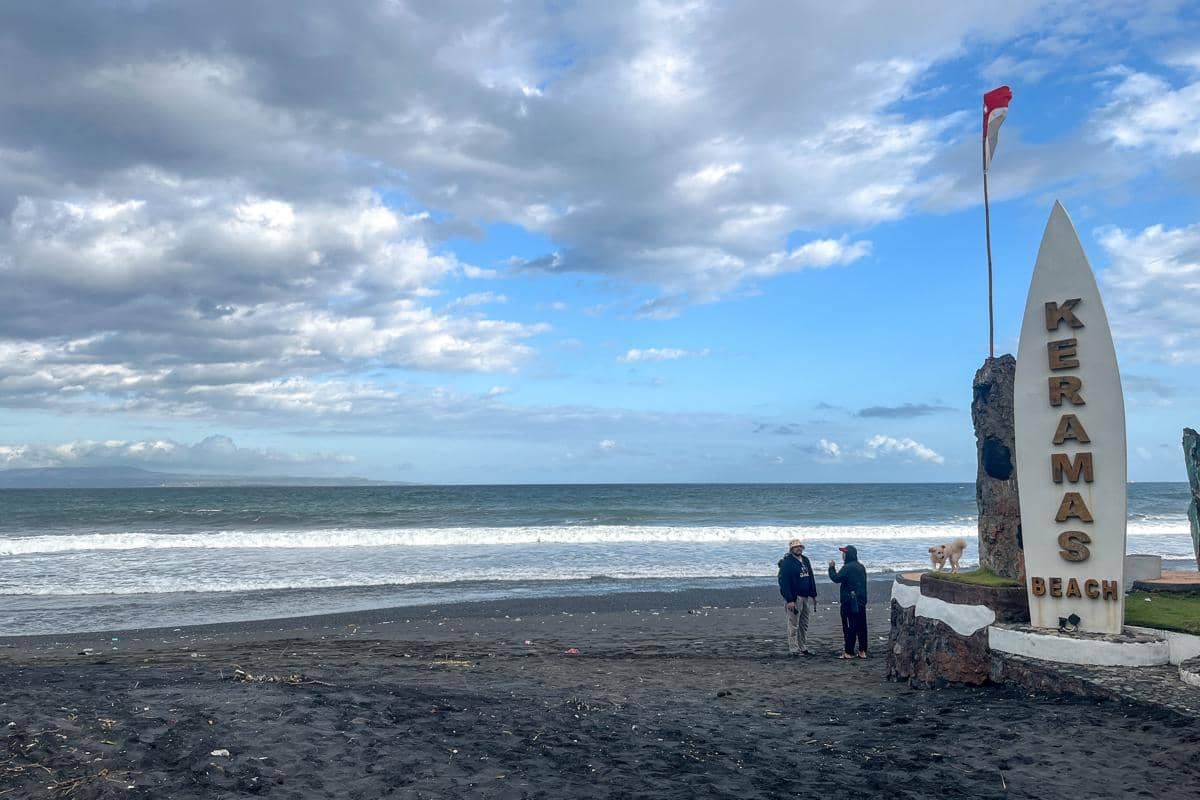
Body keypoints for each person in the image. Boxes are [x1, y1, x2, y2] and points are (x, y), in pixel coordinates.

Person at [777, 538, 817, 657]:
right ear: (791, 549)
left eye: (800, 546)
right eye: (795, 547)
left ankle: (802, 647)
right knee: (793, 625)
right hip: (795, 598)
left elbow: (811, 577)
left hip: (805, 597)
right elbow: (784, 582)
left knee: (804, 624)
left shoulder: (805, 560)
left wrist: (813, 595)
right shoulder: (787, 563)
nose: (798, 548)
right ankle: (794, 649)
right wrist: (789, 600)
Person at [828, 544, 868, 660]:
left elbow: (836, 578)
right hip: (861, 601)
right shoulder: (861, 567)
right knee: (861, 626)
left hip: (849, 602)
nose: (843, 555)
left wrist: (831, 568)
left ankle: (849, 652)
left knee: (849, 627)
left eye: (844, 553)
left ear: (847, 555)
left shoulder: (847, 567)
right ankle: (862, 651)